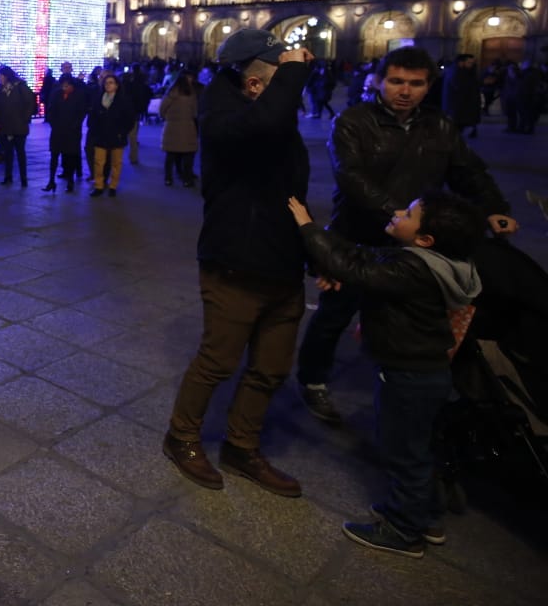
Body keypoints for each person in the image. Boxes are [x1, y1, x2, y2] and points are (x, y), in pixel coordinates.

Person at [294, 46, 514, 425]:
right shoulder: (353, 121)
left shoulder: (440, 126)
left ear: (429, 86)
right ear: (379, 81)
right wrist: (396, 214)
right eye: (396, 81)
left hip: (417, 245)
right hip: (358, 235)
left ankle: (397, 379)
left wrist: (494, 206)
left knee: (406, 317)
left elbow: (469, 171)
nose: (405, 91)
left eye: (415, 83)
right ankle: (312, 379)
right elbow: (351, 177)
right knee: (334, 315)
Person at [290, 190, 483, 558]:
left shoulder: (415, 268)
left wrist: (309, 229)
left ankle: (403, 529)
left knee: (402, 452)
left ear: (425, 239)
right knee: (416, 448)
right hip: (427, 372)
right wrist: (339, 268)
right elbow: (369, 261)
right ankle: (425, 515)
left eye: (408, 214)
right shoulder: (437, 262)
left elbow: (357, 267)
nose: (397, 212)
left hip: (408, 375)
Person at [163, 28, 312, 497]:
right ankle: (182, 436)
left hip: (283, 265)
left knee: (271, 367)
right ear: (255, 86)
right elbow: (262, 128)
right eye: (283, 80)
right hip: (236, 262)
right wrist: (292, 73)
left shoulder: (273, 119)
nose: (294, 91)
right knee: (218, 360)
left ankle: (241, 444)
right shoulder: (226, 119)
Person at [84, 71, 135, 198]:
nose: (108, 85)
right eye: (106, 83)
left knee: (116, 163)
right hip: (100, 136)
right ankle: (99, 186)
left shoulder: (123, 101)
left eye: (111, 83)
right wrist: (94, 129)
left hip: (116, 136)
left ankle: (113, 186)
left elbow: (129, 119)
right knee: (99, 162)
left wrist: (122, 132)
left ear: (117, 85)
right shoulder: (99, 99)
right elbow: (92, 117)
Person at [43, 70, 88, 192]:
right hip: (58, 130)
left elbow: (81, 112)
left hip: (72, 131)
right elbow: (51, 110)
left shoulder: (78, 95)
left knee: (70, 157)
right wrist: (53, 123)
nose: (65, 87)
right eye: (63, 85)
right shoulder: (56, 94)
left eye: (67, 85)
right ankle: (51, 181)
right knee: (54, 156)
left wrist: (74, 125)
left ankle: (70, 181)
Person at [0, 64, 34, 187]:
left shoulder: (20, 87)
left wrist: (24, 119)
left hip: (19, 127)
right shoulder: (0, 90)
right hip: (6, 126)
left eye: (0, 76)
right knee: (8, 153)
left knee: (20, 153)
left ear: (6, 76)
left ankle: (23, 178)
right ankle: (8, 176)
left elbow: (29, 103)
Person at [159, 72, 199, 188]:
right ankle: (186, 179)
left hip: (171, 127)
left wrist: (166, 117)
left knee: (170, 155)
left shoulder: (170, 94)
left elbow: (162, 109)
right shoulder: (191, 95)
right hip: (187, 127)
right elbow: (195, 112)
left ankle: (168, 178)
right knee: (187, 155)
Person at [441, 54, 481, 138]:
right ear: (461, 63)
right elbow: (460, 88)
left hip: (462, 107)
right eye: (469, 62)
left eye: (472, 63)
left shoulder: (465, 72)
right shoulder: (456, 72)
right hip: (457, 107)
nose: (471, 65)